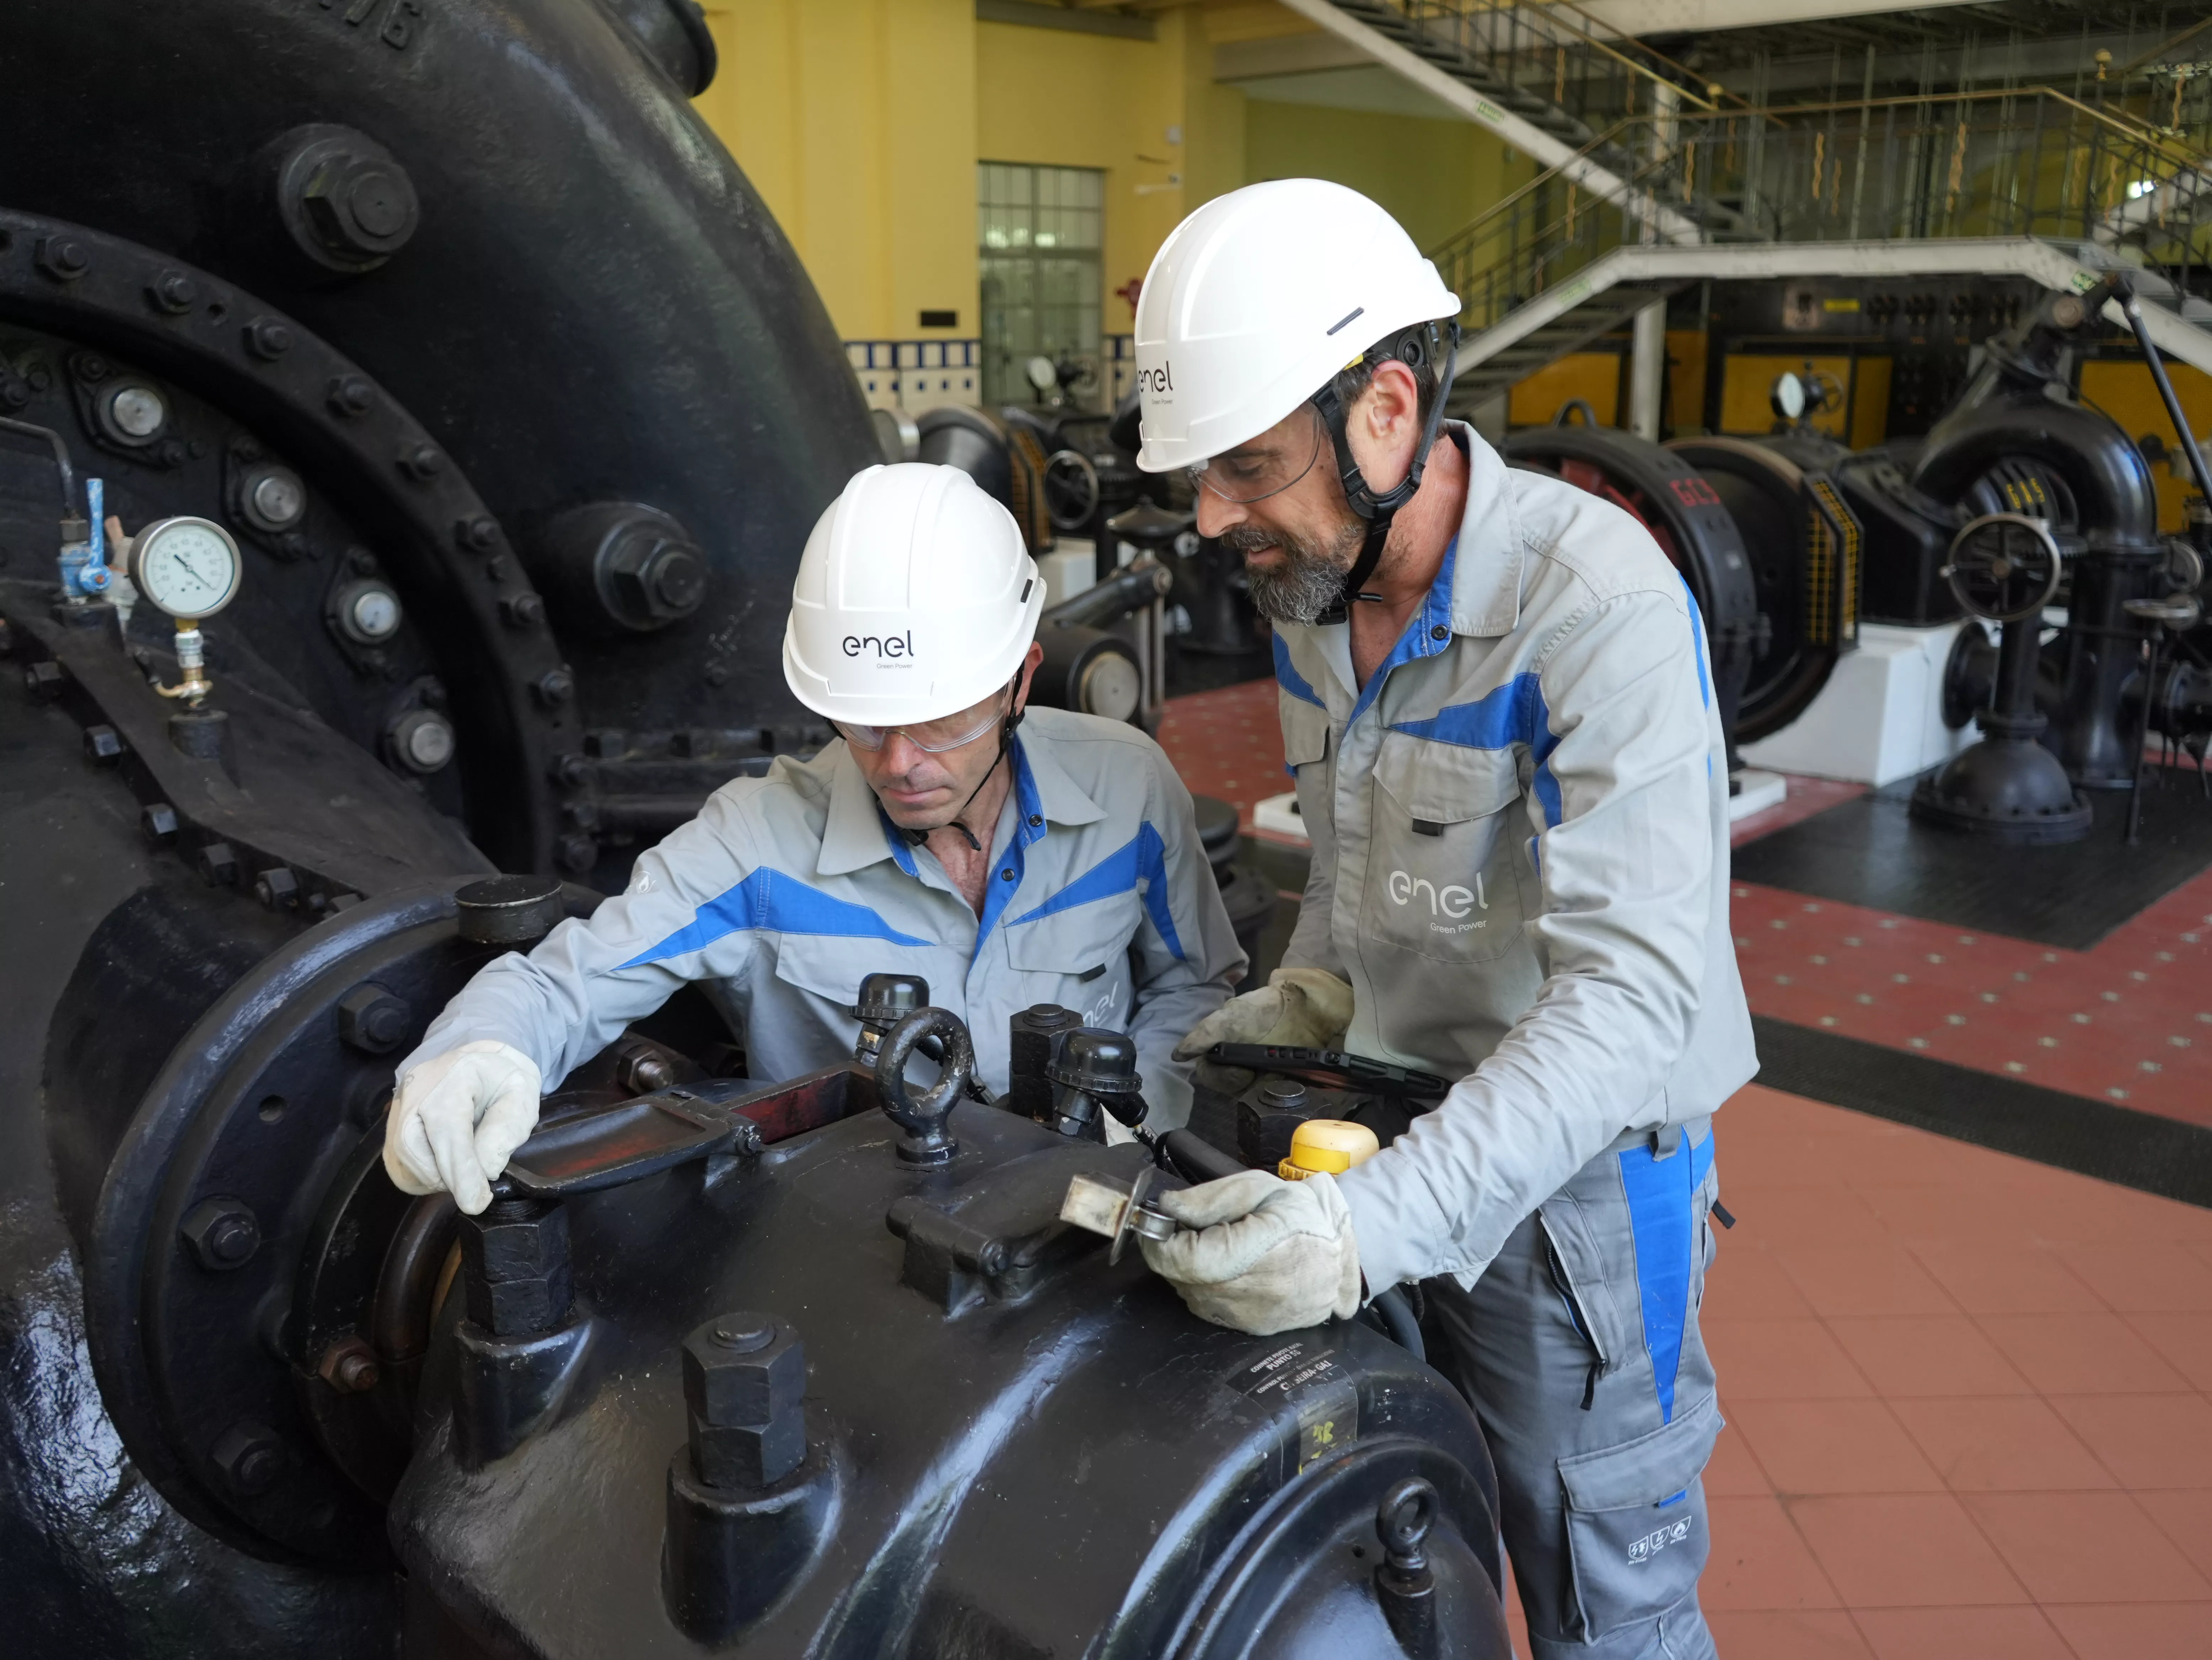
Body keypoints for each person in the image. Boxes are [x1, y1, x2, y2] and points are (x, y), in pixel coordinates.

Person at [1129, 180, 1755, 1660]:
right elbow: (1356, 867)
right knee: (1418, 1533)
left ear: (1386, 411)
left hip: (1581, 1199)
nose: (1212, 516)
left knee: (1603, 1602)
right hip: (1386, 1132)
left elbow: (1629, 1000)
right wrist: (1311, 990)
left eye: (1246, 464)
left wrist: (1363, 1231)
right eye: (1203, 472)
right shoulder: (1311, 594)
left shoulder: (1593, 607)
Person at [383, 461, 1245, 1214]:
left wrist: (1123, 1125)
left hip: (1092, 1217)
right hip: (854, 1258)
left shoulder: (1128, 788)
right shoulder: (755, 845)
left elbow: (1193, 982)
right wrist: (477, 1052)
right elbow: (564, 983)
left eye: (938, 720)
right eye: (863, 722)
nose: (899, 762)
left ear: (1020, 680)